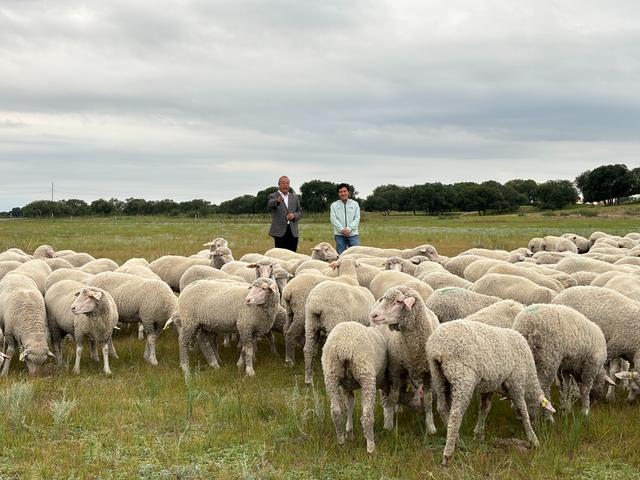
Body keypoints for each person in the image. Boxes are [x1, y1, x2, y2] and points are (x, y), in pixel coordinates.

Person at [268, 175, 303, 252]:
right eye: (283, 183)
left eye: (287, 183)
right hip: (279, 232)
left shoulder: (294, 197)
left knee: (292, 255)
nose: (285, 185)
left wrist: (294, 215)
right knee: (280, 256)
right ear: (279, 184)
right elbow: (270, 203)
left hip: (293, 231)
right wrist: (277, 201)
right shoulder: (273, 196)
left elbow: (300, 211)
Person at [330, 183, 360, 255]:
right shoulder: (334, 205)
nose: (343, 193)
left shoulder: (355, 204)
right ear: (338, 193)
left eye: (344, 191)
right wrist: (342, 230)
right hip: (339, 235)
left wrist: (349, 229)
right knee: (341, 256)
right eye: (341, 192)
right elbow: (333, 219)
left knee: (355, 255)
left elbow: (357, 218)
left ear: (348, 192)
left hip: (353, 234)